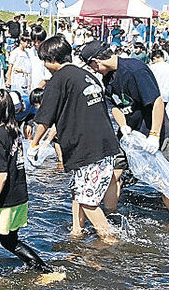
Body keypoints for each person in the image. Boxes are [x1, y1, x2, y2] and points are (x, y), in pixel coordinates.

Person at [30, 37, 120, 239]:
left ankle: (110, 240)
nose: (45, 66)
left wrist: (34, 144)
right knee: (79, 191)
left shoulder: (60, 78)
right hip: (106, 144)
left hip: (88, 149)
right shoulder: (87, 75)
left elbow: (45, 118)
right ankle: (77, 231)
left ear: (52, 59)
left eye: (45, 61)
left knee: (88, 201)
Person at [0, 87, 53, 280]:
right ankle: (44, 271)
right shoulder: (13, 130)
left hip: (1, 202)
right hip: (19, 198)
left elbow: (1, 176)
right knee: (9, 241)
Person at [79, 40, 169, 213]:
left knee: (162, 180)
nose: (93, 70)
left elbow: (157, 102)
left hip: (152, 130)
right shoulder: (107, 78)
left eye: (92, 66)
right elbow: (115, 106)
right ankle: (110, 214)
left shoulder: (135, 70)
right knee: (114, 172)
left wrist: (154, 135)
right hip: (129, 133)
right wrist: (123, 127)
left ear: (96, 62)